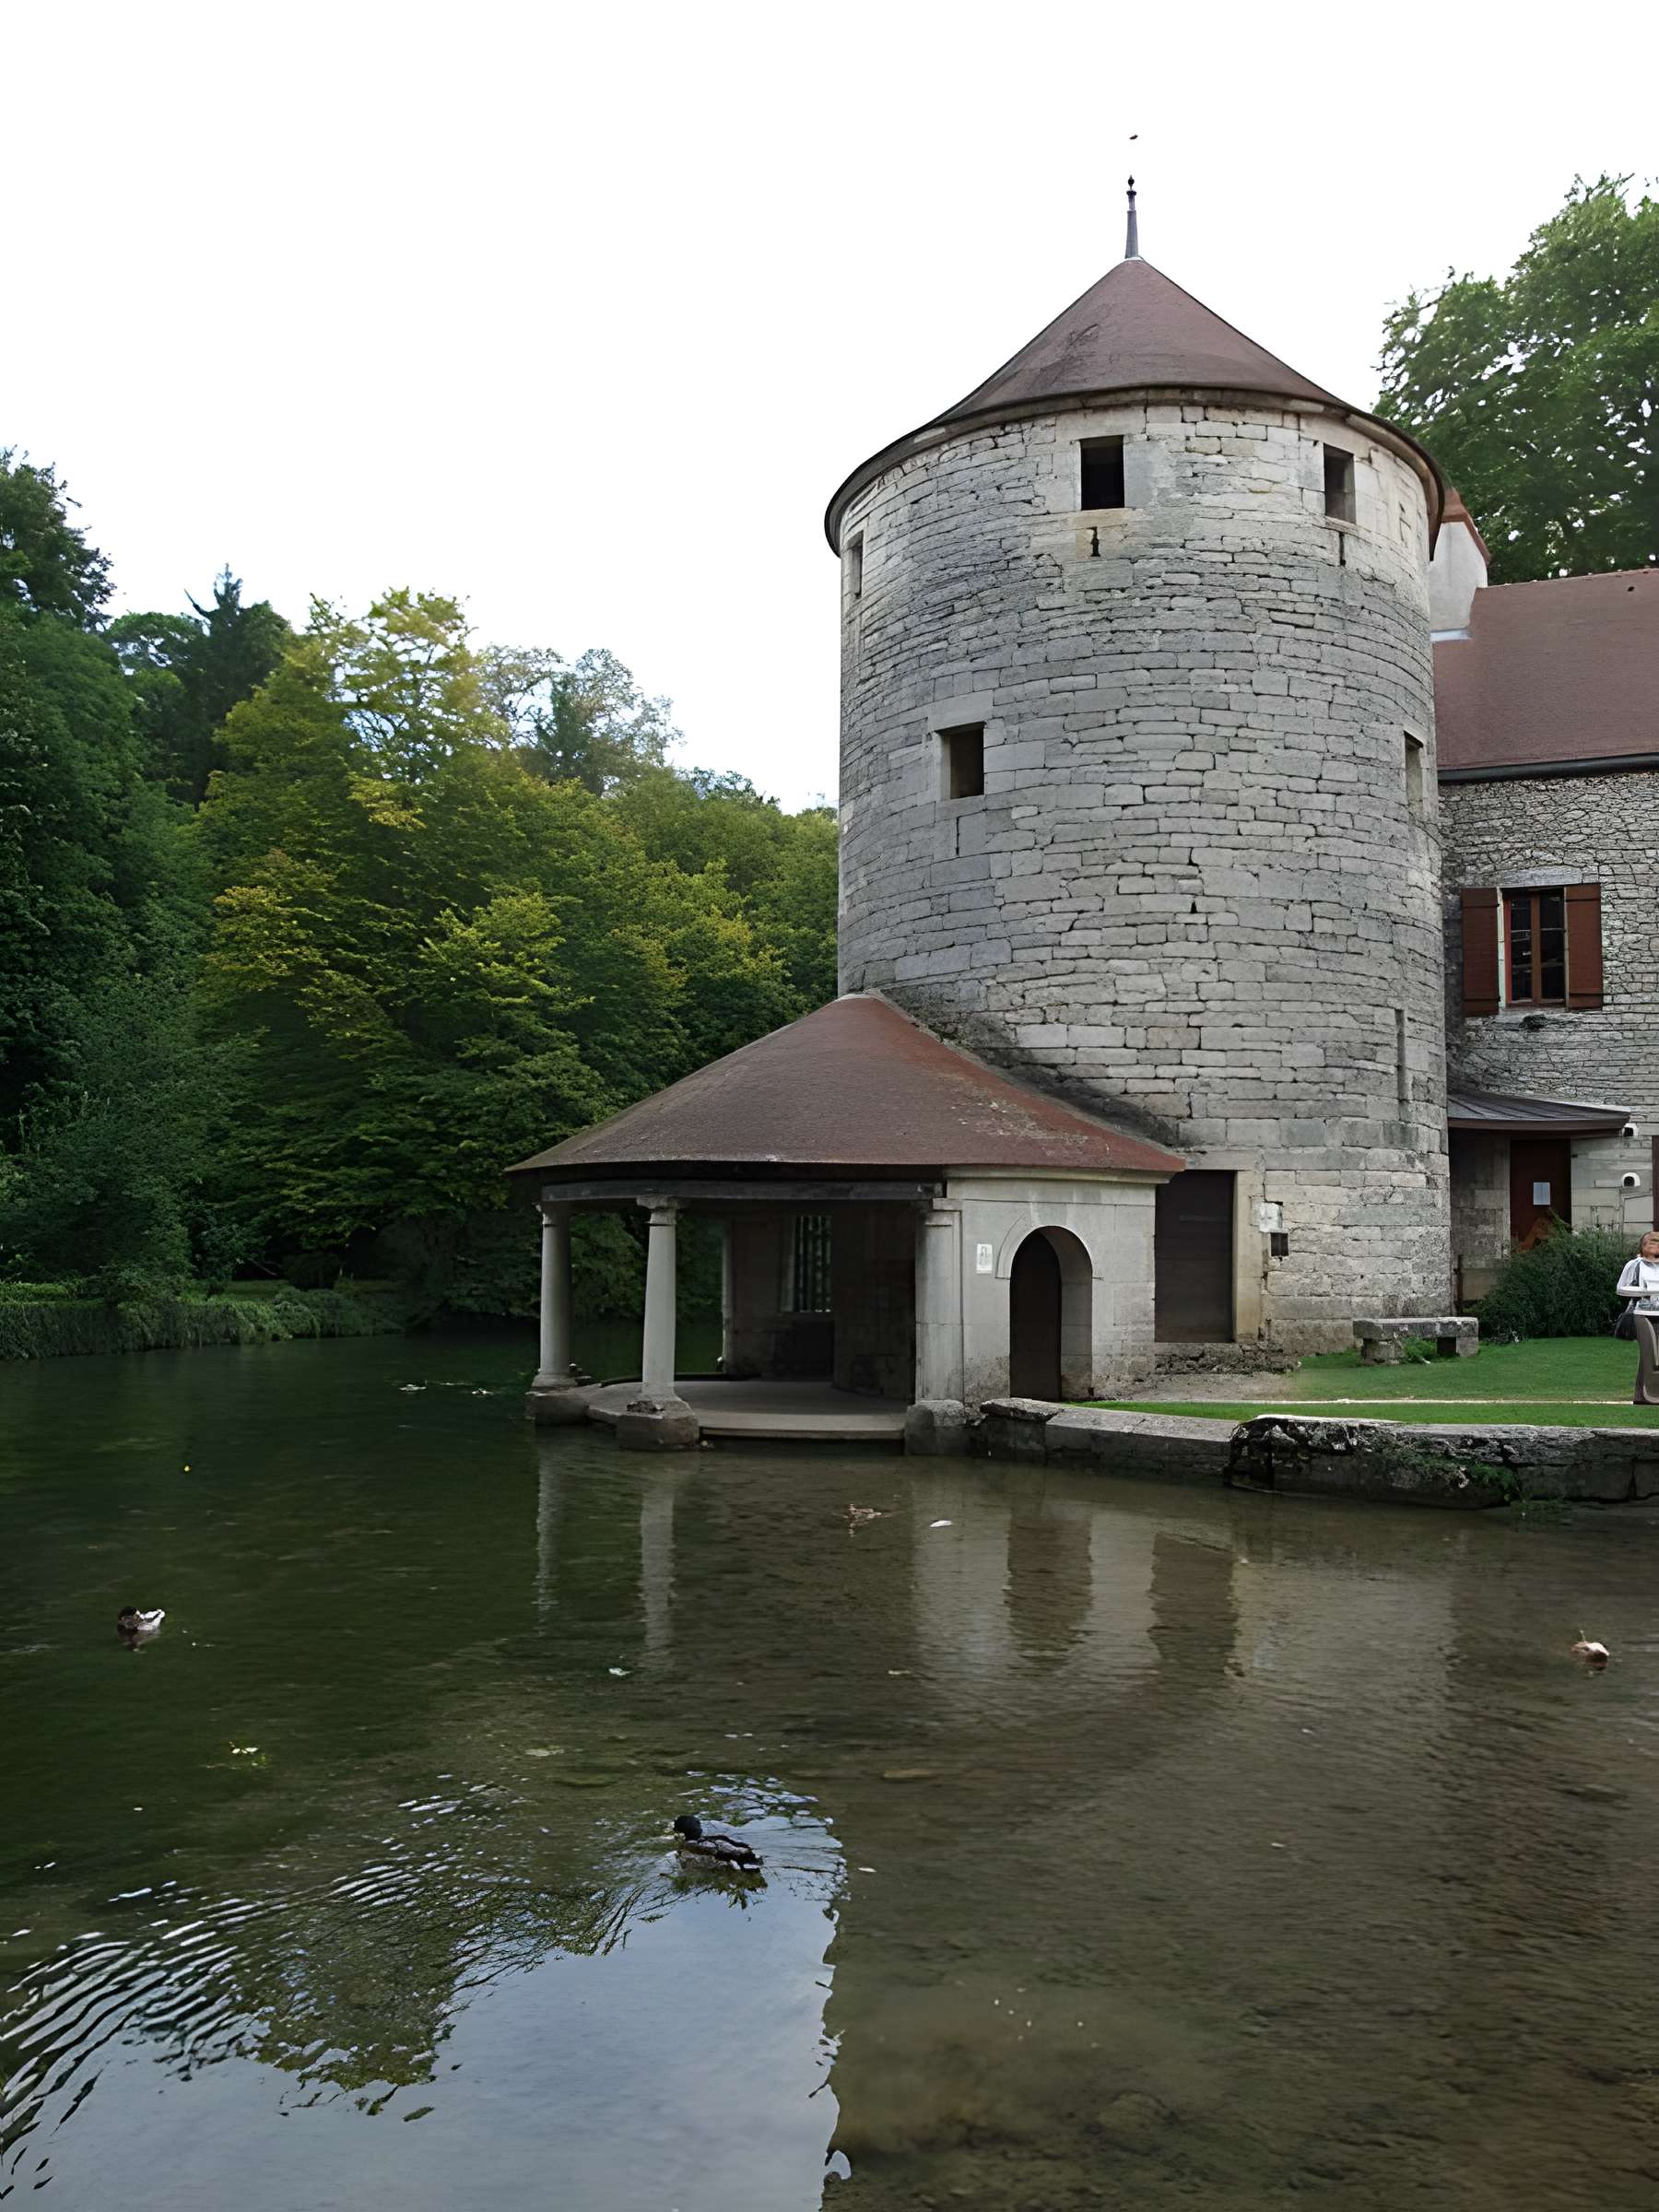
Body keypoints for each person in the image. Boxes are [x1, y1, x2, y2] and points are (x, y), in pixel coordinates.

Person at [1617, 1231, 1659, 1405]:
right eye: (1650, 1241)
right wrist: (1644, 1292)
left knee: (1653, 1356)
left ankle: (1642, 1396)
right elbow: (1621, 1288)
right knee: (1651, 1355)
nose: (1654, 1244)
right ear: (1642, 1245)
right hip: (1642, 1313)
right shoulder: (1635, 1265)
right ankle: (1653, 1395)